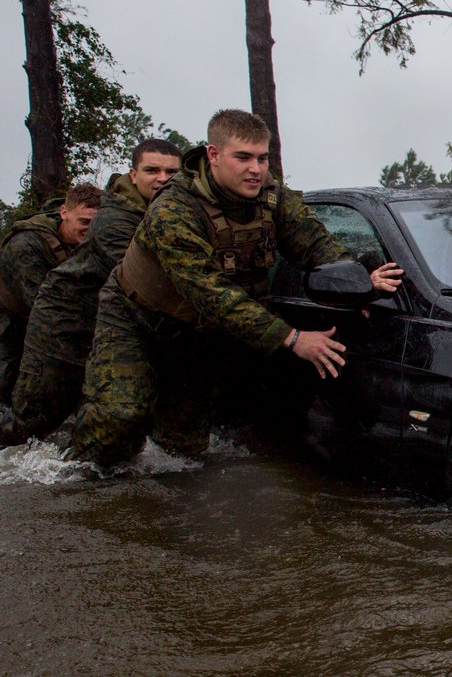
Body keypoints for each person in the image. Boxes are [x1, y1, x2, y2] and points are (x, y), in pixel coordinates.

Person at [69, 109, 403, 466]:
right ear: (213, 155)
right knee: (120, 416)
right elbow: (210, 292)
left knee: (182, 447)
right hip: (135, 319)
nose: (255, 169)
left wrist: (356, 280)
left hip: (196, 334)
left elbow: (316, 244)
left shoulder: (273, 196)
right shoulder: (173, 209)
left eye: (262, 158)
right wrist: (292, 338)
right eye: (243, 157)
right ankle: (74, 484)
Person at [0, 140, 183, 446]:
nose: (162, 178)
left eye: (170, 171)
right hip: (53, 325)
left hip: (98, 319)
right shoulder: (30, 244)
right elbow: (38, 303)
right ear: (134, 174)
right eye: (152, 170)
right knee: (28, 422)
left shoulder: (163, 210)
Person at [0, 183, 103, 403]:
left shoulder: (98, 241)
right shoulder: (25, 244)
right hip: (13, 319)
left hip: (58, 316)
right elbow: (42, 307)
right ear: (64, 212)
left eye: (96, 224)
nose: (90, 230)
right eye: (84, 222)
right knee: (8, 387)